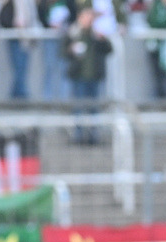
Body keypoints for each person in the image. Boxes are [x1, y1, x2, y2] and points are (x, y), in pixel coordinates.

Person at [63, 6, 112, 144]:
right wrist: (71, 49)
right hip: (78, 77)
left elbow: (109, 49)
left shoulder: (96, 34)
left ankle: (93, 136)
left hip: (94, 77)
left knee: (94, 109)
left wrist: (102, 39)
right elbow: (62, 52)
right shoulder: (73, 33)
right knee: (78, 108)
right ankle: (78, 136)